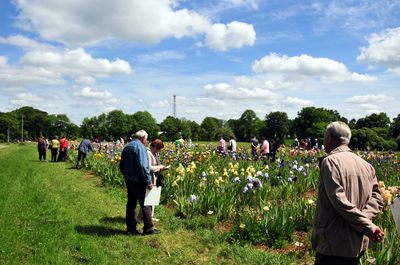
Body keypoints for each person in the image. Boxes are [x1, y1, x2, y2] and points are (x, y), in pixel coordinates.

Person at [312, 121, 384, 265]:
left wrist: (365, 225)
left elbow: (338, 199)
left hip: (334, 242)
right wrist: (364, 219)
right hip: (358, 242)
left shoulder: (330, 162)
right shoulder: (366, 166)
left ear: (330, 137)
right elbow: (377, 198)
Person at [119, 130, 159, 236]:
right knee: (146, 204)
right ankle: (148, 229)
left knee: (131, 204)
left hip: (129, 180)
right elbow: (143, 166)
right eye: (146, 138)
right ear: (143, 138)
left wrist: (126, 175)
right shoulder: (140, 147)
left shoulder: (127, 146)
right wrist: (148, 181)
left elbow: (121, 164)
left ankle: (130, 228)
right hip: (139, 181)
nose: (147, 141)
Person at [147, 139, 168, 221]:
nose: (160, 151)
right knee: (149, 199)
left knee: (151, 199)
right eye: (159, 149)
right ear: (155, 147)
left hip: (154, 177)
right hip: (150, 178)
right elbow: (148, 168)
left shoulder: (154, 154)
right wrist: (159, 167)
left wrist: (161, 168)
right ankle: (145, 218)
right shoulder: (148, 153)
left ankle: (148, 217)